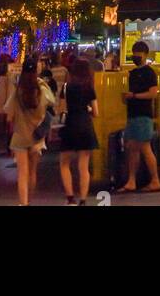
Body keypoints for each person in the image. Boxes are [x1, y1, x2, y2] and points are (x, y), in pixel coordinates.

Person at [5, 57, 54, 206]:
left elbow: (9, 115)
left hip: (20, 136)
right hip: (36, 137)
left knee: (22, 174)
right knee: (33, 173)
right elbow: (51, 103)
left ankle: (23, 203)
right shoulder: (42, 88)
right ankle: (29, 201)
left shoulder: (18, 90)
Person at [58, 56, 99, 206]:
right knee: (83, 166)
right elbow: (96, 112)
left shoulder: (66, 87)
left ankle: (70, 199)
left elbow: (61, 109)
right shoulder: (89, 88)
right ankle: (83, 200)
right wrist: (87, 108)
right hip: (85, 126)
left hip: (70, 126)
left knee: (64, 163)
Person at [121, 41, 160, 193]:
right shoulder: (133, 73)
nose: (135, 56)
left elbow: (153, 93)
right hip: (133, 114)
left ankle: (155, 180)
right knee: (133, 147)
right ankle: (131, 181)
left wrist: (135, 96)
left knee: (144, 147)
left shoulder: (149, 73)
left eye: (138, 53)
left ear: (145, 54)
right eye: (134, 53)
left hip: (143, 115)